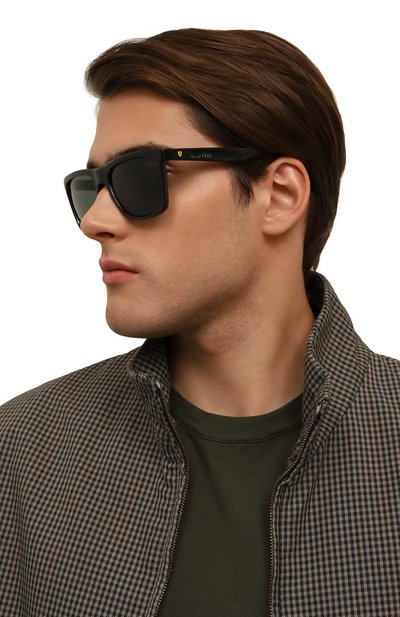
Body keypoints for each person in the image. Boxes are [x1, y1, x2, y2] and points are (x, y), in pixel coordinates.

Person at [0, 28, 399, 617]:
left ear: (279, 195)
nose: (94, 222)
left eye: (141, 176)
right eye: (92, 187)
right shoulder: (24, 451)